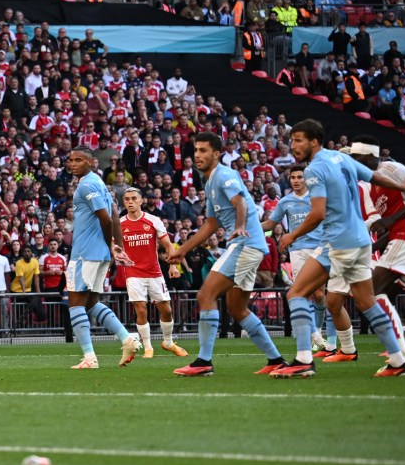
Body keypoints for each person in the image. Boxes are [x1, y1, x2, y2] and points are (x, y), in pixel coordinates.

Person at [271, 120, 405, 378]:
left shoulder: (315, 169)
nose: (293, 146)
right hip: (361, 239)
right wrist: (402, 186)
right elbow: (374, 176)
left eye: (298, 140)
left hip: (339, 241)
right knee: (366, 302)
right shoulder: (340, 157)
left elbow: (317, 213)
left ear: (314, 141)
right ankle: (398, 361)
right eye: (292, 140)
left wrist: (291, 235)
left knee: (296, 293)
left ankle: (303, 360)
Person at [166, 132, 285, 377]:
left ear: (216, 154)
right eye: (196, 150)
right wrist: (182, 250)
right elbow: (210, 225)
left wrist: (240, 226)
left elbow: (239, 202)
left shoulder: (225, 175)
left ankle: (203, 361)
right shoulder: (210, 183)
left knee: (205, 294)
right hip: (245, 246)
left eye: (203, 150)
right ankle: (276, 360)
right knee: (237, 308)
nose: (198, 155)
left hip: (244, 245)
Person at [347, 135, 405, 372]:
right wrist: (375, 244)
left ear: (370, 156)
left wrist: (392, 219)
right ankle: (401, 355)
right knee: (380, 296)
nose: (354, 162)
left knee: (370, 293)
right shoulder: (373, 185)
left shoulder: (391, 167)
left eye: (357, 158)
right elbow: (389, 222)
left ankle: (400, 357)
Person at [64, 146, 141, 370]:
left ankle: (89, 357)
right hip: (100, 254)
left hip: (85, 252)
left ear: (91, 162)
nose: (73, 163)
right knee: (91, 303)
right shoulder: (98, 183)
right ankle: (127, 339)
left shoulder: (87, 184)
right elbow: (116, 215)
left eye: (79, 160)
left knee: (75, 304)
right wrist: (117, 247)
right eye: (70, 160)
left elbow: (106, 219)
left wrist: (112, 244)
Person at [260, 166, 327, 353]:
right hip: (297, 250)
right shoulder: (285, 201)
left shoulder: (316, 198)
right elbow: (271, 223)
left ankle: (318, 331)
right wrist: (252, 227)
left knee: (320, 296)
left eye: (300, 177)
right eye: (293, 177)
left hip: (318, 248)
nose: (296, 180)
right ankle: (316, 337)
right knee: (302, 293)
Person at [119, 187, 188, 358]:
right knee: (141, 309)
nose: (130, 202)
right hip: (133, 272)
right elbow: (115, 248)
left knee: (166, 309)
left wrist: (173, 265)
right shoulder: (120, 224)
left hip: (154, 272)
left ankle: (168, 342)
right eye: (127, 199)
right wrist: (117, 256)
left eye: (134, 198)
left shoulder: (153, 220)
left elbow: (168, 245)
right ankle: (148, 347)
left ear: (141, 201)